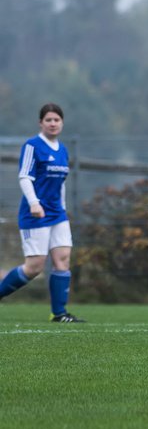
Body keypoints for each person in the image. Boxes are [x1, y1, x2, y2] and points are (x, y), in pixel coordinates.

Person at [0, 103, 83, 322]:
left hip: (58, 214)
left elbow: (61, 183)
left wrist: (63, 208)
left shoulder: (63, 149)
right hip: (35, 214)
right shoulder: (32, 146)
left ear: (62, 123)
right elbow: (25, 177)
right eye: (49, 120)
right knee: (34, 267)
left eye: (57, 120)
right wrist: (34, 203)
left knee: (63, 259)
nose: (53, 123)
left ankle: (59, 313)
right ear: (41, 123)